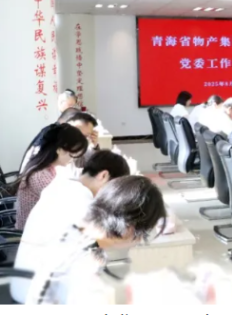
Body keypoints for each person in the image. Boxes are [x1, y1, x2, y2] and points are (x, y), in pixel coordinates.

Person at [24, 176, 167, 305]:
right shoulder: (89, 273)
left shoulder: (77, 233)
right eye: (145, 232)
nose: (141, 239)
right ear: (131, 228)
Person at [11, 150, 131, 303]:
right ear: (103, 175)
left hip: (25, 282)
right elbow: (111, 240)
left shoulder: (62, 186)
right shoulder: (79, 201)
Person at [15, 124, 89, 230]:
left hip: (43, 229)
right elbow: (64, 206)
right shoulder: (39, 175)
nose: (73, 160)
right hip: (34, 234)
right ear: (60, 150)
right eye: (72, 155)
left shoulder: (46, 169)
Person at [22, 112, 98, 173]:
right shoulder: (51, 139)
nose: (81, 139)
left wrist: (94, 146)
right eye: (80, 133)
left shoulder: (71, 144)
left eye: (86, 136)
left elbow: (84, 163)